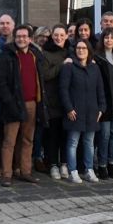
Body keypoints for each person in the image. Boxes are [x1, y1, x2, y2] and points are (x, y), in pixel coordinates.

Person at [0, 25, 47, 187]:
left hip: (32, 103)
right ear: (14, 38)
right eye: (18, 36)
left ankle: (25, 171)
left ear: (30, 39)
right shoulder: (7, 56)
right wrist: (9, 101)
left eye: (24, 36)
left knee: (27, 139)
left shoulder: (35, 55)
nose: (21, 39)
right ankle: (7, 174)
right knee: (9, 140)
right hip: (13, 103)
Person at [59, 39, 105, 184]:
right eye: (78, 48)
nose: (81, 50)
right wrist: (68, 108)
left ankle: (89, 169)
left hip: (92, 111)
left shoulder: (94, 68)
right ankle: (72, 171)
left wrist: (101, 108)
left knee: (89, 143)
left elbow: (100, 90)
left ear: (89, 50)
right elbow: (63, 90)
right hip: (75, 111)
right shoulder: (69, 67)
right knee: (73, 142)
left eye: (84, 48)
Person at [94, 28, 113, 179]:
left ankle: (111, 163)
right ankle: (102, 165)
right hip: (104, 106)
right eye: (106, 38)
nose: (109, 40)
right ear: (102, 40)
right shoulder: (97, 58)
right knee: (104, 136)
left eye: (112, 38)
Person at [40, 24, 70, 180]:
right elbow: (45, 75)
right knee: (52, 135)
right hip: (52, 100)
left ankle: (64, 163)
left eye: (62, 35)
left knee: (65, 135)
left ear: (66, 36)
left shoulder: (71, 51)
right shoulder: (46, 53)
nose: (59, 38)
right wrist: (62, 65)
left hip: (68, 101)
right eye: (56, 35)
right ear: (52, 36)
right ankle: (52, 164)